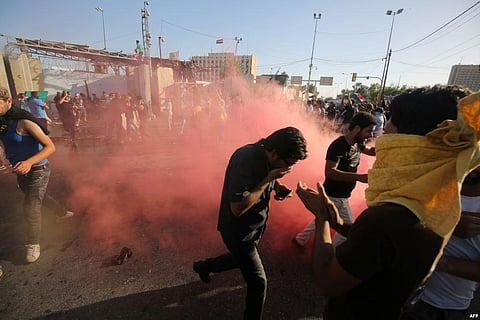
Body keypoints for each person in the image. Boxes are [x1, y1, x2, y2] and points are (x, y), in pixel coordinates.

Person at [295, 86, 479, 320]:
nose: (381, 138)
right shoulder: (440, 202)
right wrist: (339, 223)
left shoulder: (388, 217)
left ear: (406, 140)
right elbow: (389, 250)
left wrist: (321, 217)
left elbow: (327, 282)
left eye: (388, 128)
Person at [193, 127, 308, 320]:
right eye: (288, 163)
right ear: (274, 152)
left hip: (253, 229)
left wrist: (276, 186)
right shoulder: (245, 159)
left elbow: (265, 176)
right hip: (238, 232)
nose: (288, 169)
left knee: (241, 260)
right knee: (258, 283)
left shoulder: (266, 155)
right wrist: (269, 180)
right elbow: (237, 207)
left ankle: (204, 267)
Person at [0, 86, 74, 263]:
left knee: (31, 206)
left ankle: (32, 244)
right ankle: (62, 213)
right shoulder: (2, 124)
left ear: (8, 101)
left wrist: (28, 162)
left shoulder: (24, 122)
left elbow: (50, 147)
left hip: (38, 170)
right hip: (21, 172)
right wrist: (4, 158)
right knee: (38, 198)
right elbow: (4, 143)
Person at [401, 166, 480, 320]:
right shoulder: (429, 185)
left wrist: (440, 262)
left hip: (445, 308)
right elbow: (395, 225)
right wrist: (448, 223)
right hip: (398, 292)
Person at [293, 111, 377, 247]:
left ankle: (300, 239)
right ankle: (332, 252)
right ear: (357, 129)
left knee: (322, 216)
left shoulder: (358, 144)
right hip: (336, 195)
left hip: (338, 194)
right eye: (368, 131)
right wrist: (359, 177)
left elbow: (370, 151)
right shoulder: (339, 146)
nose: (371, 135)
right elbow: (330, 172)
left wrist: (390, 147)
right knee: (348, 230)